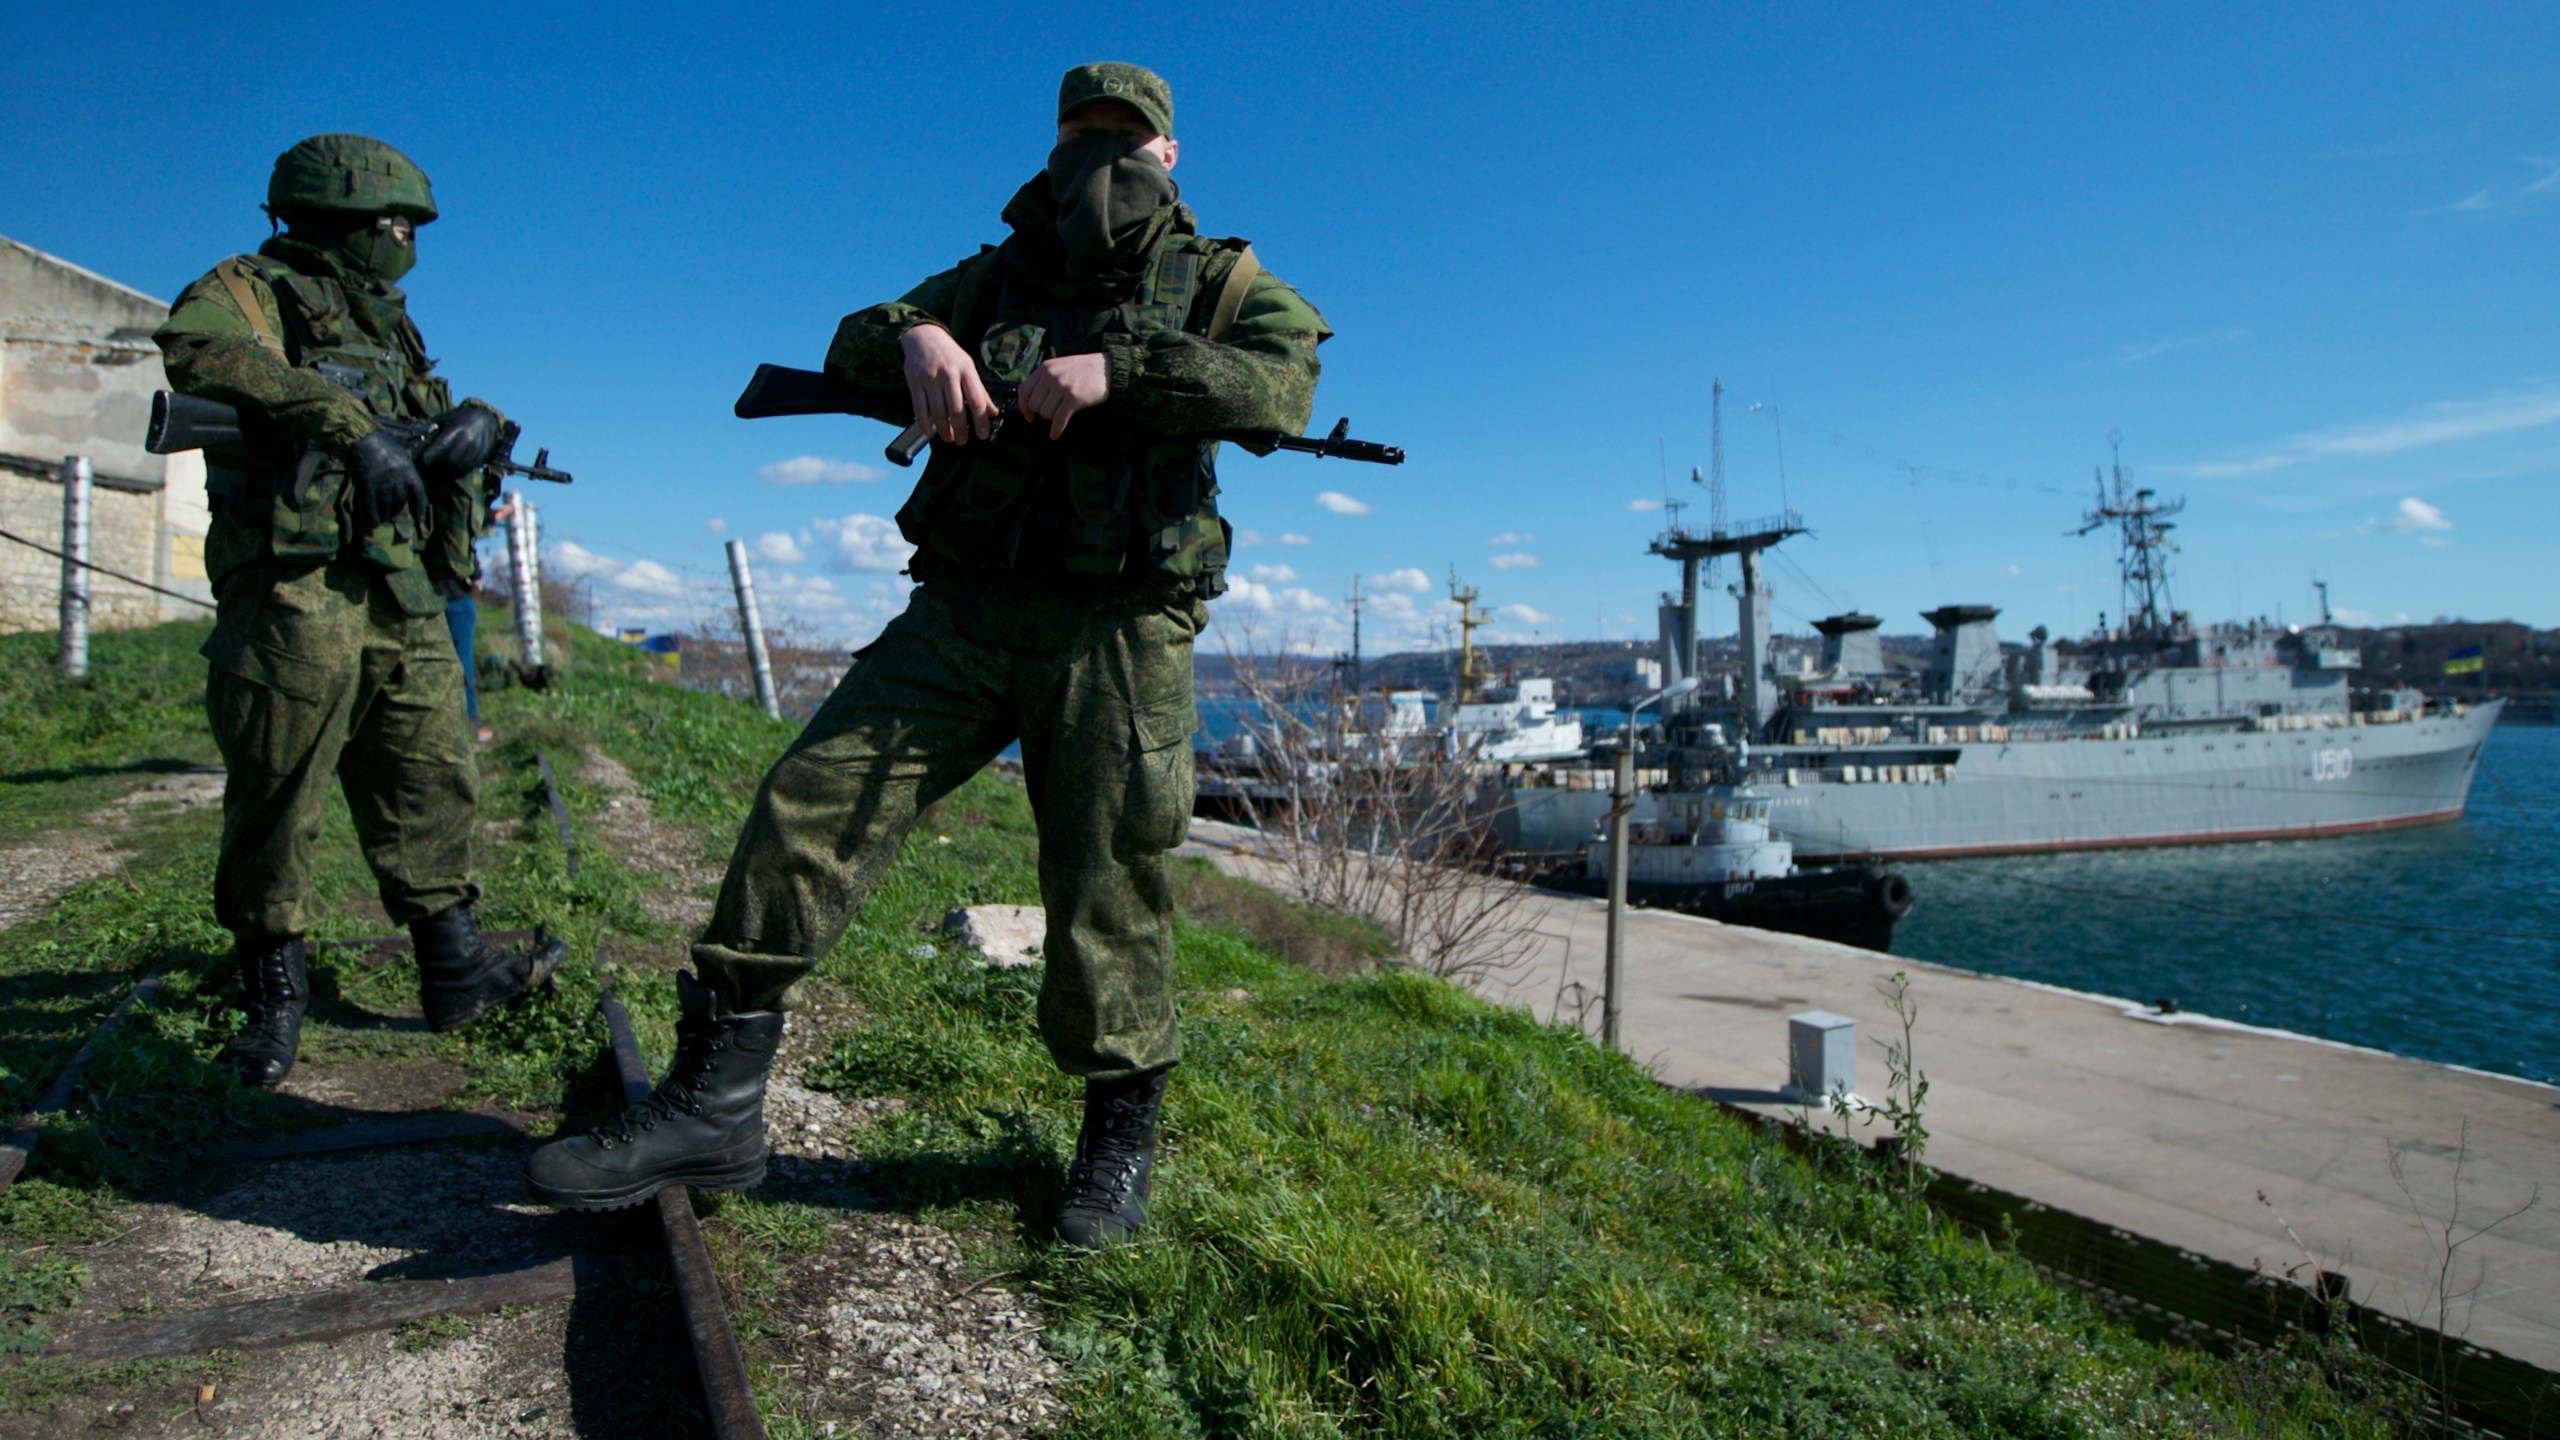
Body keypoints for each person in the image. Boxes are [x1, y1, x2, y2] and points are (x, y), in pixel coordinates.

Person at [524, 63, 1329, 1246]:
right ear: (1052, 145)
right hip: (959, 611)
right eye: (1080, 139)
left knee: (1108, 877)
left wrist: (1127, 371)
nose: (1099, 164)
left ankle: (1114, 1144)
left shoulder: (1222, 284)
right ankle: (715, 1106)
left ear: (1167, 156)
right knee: (812, 799)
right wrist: (918, 339)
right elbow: (855, 335)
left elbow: (1286, 386)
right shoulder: (991, 273)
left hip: (1118, 628)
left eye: (1126, 142)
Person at [154, 133, 565, 1088]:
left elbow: (422, 414)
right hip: (297, 587)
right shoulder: (253, 285)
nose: (407, 242)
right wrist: (348, 431)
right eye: (397, 225)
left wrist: (480, 423)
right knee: (279, 787)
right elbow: (199, 351)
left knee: (432, 770)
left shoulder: (386, 324)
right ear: (349, 219)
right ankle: (271, 992)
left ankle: (453, 964)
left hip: (400, 582)